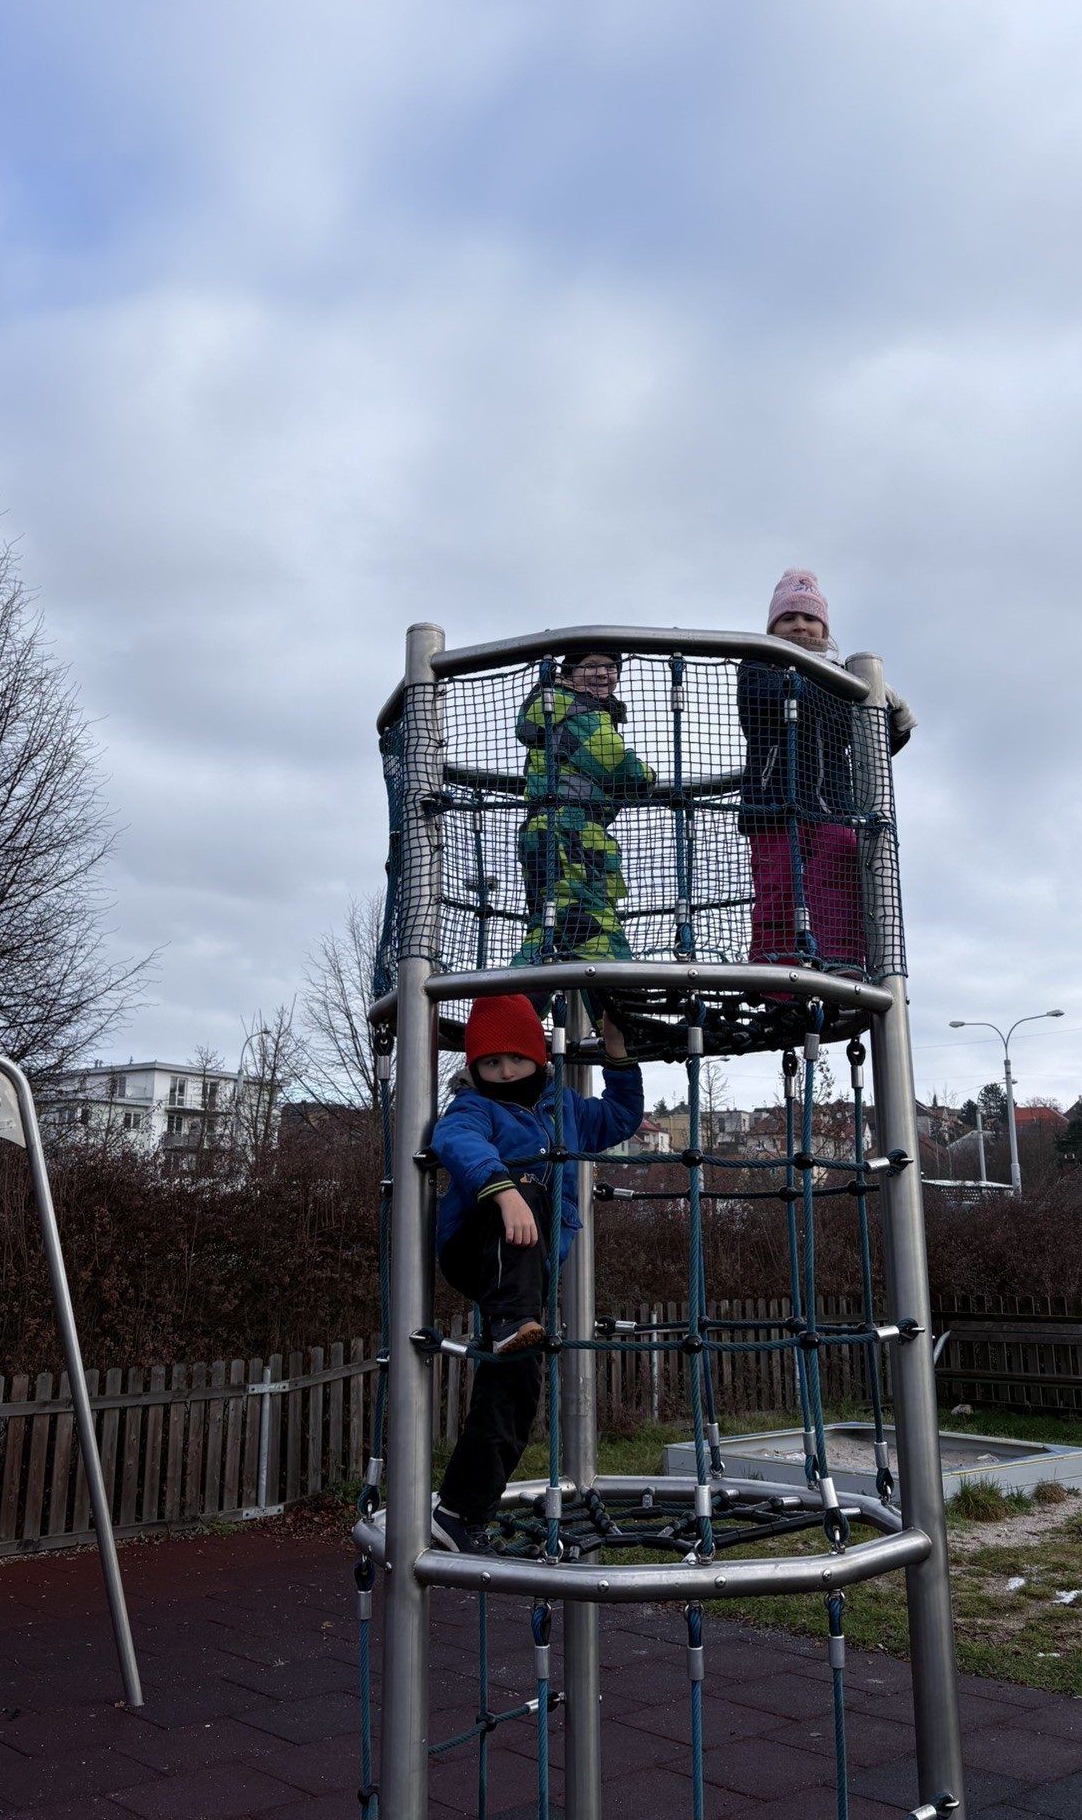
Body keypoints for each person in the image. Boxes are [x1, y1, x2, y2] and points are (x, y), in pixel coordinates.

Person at [429, 993, 643, 1552]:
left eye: (516, 1059)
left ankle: (459, 1512)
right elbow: (453, 1138)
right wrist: (502, 1189)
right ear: (475, 1067)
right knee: (525, 1180)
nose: (505, 1072)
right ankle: (510, 1321)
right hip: (476, 1246)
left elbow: (620, 1117)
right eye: (491, 1062)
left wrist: (618, 1055)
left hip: (529, 1272)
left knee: (516, 1387)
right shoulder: (476, 1106)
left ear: (538, 1055)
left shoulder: (564, 1108)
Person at [738, 569, 913, 972]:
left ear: (824, 627)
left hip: (833, 804)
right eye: (788, 618)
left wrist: (888, 719)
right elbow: (765, 703)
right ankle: (775, 970)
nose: (800, 625)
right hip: (774, 804)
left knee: (838, 872)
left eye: (809, 618)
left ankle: (840, 960)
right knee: (778, 885)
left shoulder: (842, 675)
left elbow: (867, 744)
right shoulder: (761, 663)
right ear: (772, 627)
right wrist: (854, 692)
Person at [512, 648, 655, 967]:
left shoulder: (559, 710)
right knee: (592, 928)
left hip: (553, 831)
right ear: (568, 676)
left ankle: (512, 996)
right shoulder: (574, 711)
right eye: (591, 666)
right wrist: (648, 777)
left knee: (550, 927)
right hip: (570, 833)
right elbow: (623, 771)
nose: (603, 673)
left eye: (611, 667)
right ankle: (613, 994)